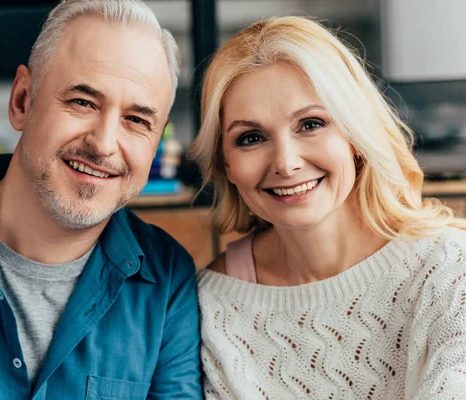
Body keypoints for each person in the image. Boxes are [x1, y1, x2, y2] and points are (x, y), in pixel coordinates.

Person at [0, 1, 202, 398]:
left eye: (137, 120)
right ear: (22, 101)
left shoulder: (166, 281)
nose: (104, 144)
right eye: (83, 102)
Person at [190, 16, 466, 399]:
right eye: (251, 137)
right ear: (225, 163)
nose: (285, 163)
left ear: (355, 134)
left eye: (311, 124)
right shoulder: (210, 305)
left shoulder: (450, 271)